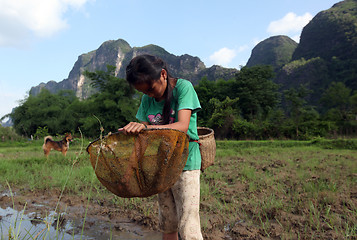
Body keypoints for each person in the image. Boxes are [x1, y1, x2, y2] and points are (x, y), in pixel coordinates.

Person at [119, 54, 203, 240]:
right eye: (144, 92)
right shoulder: (147, 100)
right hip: (162, 166)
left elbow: (182, 126)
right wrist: (129, 170)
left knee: (188, 228)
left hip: (186, 164)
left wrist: (147, 127)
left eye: (150, 89)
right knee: (168, 223)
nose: (149, 95)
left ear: (163, 74)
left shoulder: (183, 88)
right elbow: (141, 139)